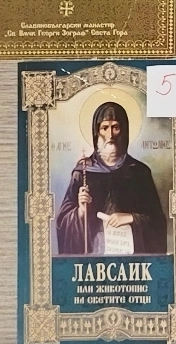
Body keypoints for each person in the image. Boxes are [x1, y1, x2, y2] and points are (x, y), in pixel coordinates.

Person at [56, 102, 167, 255]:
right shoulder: (83, 172)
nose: (110, 135)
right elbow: (62, 222)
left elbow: (157, 222)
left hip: (130, 257)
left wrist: (130, 218)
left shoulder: (139, 172)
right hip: (95, 256)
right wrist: (81, 212)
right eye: (104, 128)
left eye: (115, 127)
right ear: (96, 132)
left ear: (124, 131)